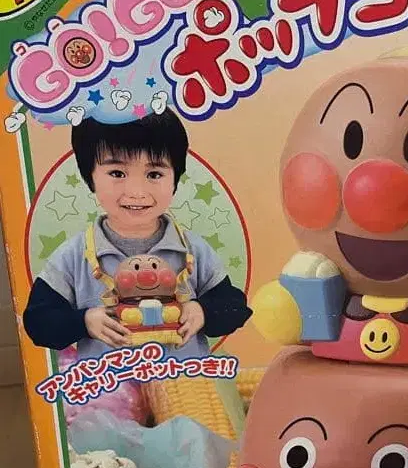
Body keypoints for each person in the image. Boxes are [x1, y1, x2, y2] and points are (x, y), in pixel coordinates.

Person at [23, 110, 252, 360]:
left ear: (175, 178)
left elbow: (234, 306)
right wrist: (83, 322)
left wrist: (203, 311)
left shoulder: (192, 249)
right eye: (117, 173)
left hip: (186, 380)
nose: (136, 192)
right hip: (108, 383)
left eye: (154, 174)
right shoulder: (72, 256)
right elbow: (38, 321)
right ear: (90, 176)